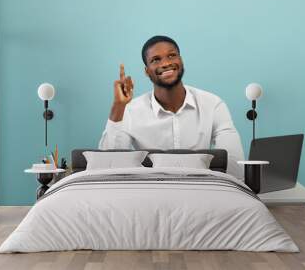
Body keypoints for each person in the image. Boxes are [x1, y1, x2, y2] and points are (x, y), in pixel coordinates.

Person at [99, 35, 245, 179]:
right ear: (146, 71)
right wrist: (118, 106)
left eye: (171, 56)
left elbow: (234, 163)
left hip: (200, 189)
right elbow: (109, 167)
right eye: (156, 60)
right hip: (151, 191)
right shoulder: (130, 111)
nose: (165, 63)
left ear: (180, 61)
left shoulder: (213, 105)